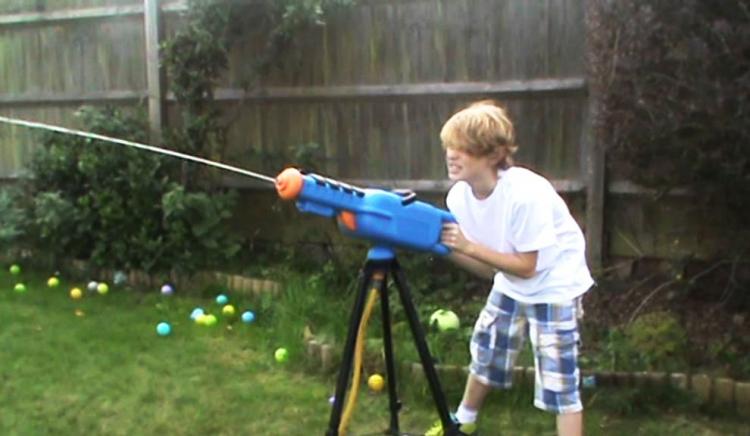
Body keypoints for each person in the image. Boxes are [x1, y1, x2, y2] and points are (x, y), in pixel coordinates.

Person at [425, 100, 594, 436]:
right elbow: (489, 267)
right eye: (449, 145)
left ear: (492, 155)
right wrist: (439, 247)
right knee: (488, 352)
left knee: (560, 381)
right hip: (511, 280)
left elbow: (528, 267)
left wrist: (467, 246)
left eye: (464, 148)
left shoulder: (524, 194)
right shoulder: (458, 197)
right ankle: (463, 422)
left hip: (553, 285)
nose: (452, 154)